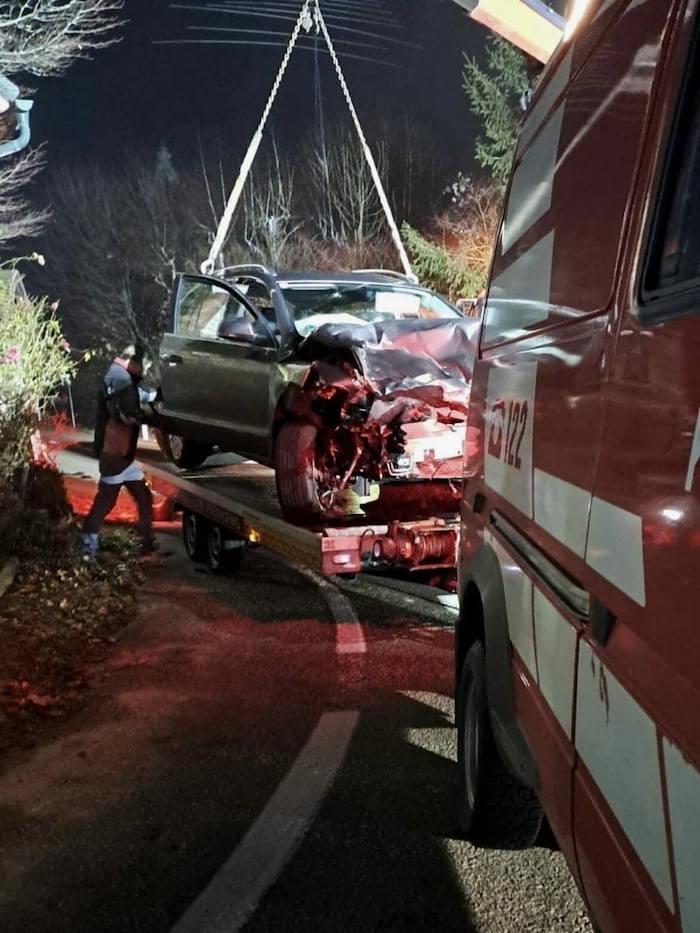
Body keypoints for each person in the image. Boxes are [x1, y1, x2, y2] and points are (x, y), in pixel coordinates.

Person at [81, 345, 160, 561]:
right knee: (105, 502)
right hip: (114, 455)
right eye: (145, 366)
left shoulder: (118, 376)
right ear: (133, 363)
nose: (145, 371)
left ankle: (146, 545)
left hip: (121, 457)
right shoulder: (122, 380)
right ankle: (88, 547)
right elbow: (127, 412)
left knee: (143, 497)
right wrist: (149, 417)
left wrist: (153, 396)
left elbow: (138, 395)